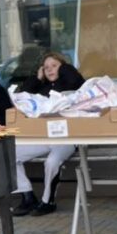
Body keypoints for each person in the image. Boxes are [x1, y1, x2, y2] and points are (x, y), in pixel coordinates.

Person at [12, 52, 86, 217]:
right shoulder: (42, 88)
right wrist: (37, 78)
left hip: (68, 138)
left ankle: (48, 201)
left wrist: (64, 66)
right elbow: (22, 98)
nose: (50, 70)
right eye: (46, 68)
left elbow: (76, 80)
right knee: (9, 154)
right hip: (43, 138)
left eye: (54, 66)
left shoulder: (70, 83)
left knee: (52, 162)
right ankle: (27, 195)